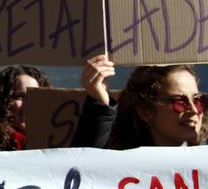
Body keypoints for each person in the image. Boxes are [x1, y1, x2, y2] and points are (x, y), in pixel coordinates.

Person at [72, 55, 206, 148]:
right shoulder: (120, 165)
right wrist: (99, 104)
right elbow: (82, 169)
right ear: (145, 112)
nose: (194, 110)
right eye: (180, 102)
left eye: (197, 100)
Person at [0, 65, 51, 151]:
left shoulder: (56, 142)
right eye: (20, 97)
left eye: (36, 96)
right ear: (2, 100)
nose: (29, 104)